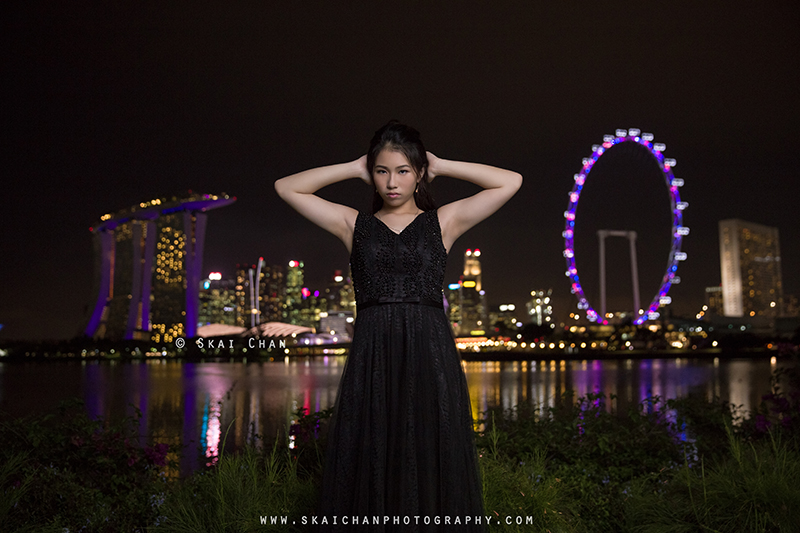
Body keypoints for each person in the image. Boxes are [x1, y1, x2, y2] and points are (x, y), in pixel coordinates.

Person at [274, 121, 522, 531]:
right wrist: (354, 167)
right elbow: (287, 188)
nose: (392, 182)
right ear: (371, 173)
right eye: (382, 171)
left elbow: (510, 182)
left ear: (419, 173)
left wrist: (441, 165)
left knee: (429, 443)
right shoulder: (354, 224)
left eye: (403, 171)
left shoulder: (443, 222)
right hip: (373, 352)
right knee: (374, 445)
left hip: (429, 350)